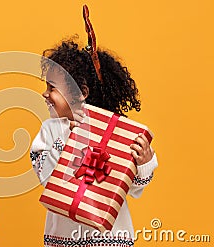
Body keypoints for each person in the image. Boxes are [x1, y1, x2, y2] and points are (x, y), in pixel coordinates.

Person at [30, 7, 158, 247]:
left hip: (111, 238)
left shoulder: (117, 130)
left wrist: (144, 162)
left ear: (82, 93)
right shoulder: (51, 130)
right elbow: (48, 180)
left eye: (52, 88)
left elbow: (133, 189)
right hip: (64, 237)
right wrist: (72, 139)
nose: (45, 94)